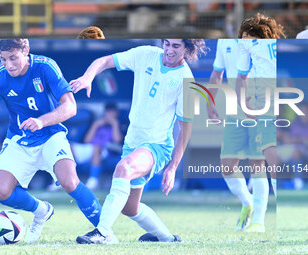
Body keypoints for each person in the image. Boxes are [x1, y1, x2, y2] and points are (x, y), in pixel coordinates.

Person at [70, 39, 208, 244]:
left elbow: (185, 127)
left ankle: (103, 232)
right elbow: (104, 61)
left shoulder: (186, 80)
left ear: (187, 49)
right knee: (129, 207)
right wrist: (88, 77)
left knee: (123, 168)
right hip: (132, 142)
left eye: (176, 46)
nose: (169, 50)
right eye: (167, 44)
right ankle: (167, 239)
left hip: (157, 146)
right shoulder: (146, 54)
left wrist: (173, 166)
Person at [0, 39, 102, 243]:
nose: (8, 65)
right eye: (3, 59)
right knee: (0, 191)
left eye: (13, 58)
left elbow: (70, 107)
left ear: (26, 50)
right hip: (19, 139)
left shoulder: (45, 66)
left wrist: (41, 121)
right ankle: (41, 210)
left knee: (70, 182)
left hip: (51, 134)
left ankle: (104, 231)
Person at [206, 39, 266, 232]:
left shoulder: (261, 41)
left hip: (260, 108)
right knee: (226, 166)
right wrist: (210, 102)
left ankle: (259, 222)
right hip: (235, 112)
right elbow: (217, 74)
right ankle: (247, 202)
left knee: (257, 164)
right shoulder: (224, 42)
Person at [234, 13, 285, 232]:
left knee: (270, 163)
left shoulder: (251, 46)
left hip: (273, 106)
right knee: (264, 162)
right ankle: (259, 222)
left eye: (246, 35)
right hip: (266, 106)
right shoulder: (266, 45)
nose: (244, 39)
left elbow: (241, 78)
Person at [84, 102, 123, 190]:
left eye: (112, 112)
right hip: (89, 149)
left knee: (97, 148)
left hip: (105, 151)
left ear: (116, 113)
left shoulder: (119, 124)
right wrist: (95, 125)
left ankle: (93, 181)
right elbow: (86, 140)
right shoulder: (98, 124)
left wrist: (114, 124)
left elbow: (117, 140)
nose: (110, 115)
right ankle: (58, 180)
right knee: (70, 147)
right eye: (108, 112)